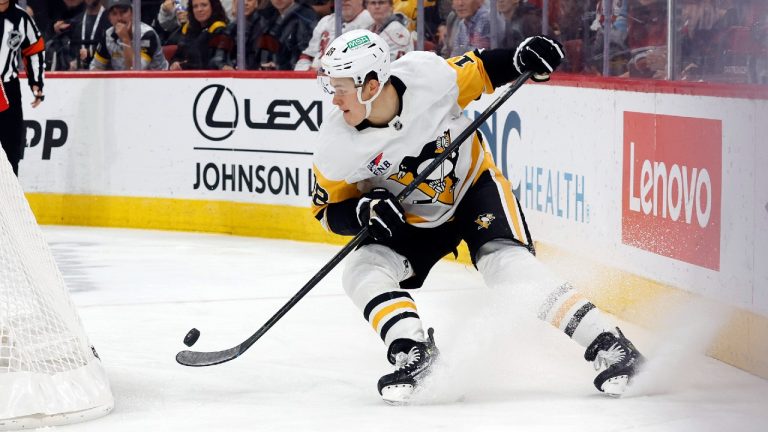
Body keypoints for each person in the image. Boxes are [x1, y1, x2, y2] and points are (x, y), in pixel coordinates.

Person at [312, 29, 645, 403]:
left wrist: (523, 58)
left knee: (507, 266)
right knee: (362, 270)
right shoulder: (336, 147)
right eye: (330, 86)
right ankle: (414, 353)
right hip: (412, 219)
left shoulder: (427, 77)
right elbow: (327, 212)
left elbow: (484, 69)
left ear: (371, 84)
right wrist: (362, 210)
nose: (333, 98)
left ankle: (609, 343)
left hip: (474, 190)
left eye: (340, 87)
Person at [0, 0, 45, 176]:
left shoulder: (21, 17)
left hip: (9, 88)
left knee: (11, 148)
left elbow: (34, 48)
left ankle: (10, 199)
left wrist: (36, 82)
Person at [294, 0, 372, 70]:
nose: (344, 1)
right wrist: (305, 71)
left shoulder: (371, 22)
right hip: (314, 78)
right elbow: (308, 56)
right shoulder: (325, 22)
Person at [90, 0, 168, 70]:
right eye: (114, 14)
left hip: (157, 82)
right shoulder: (108, 35)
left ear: (132, 13)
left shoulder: (147, 34)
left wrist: (125, 39)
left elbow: (136, 71)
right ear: (109, 18)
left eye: (123, 12)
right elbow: (96, 67)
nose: (119, 18)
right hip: (122, 83)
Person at [256, 0, 318, 70]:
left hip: (295, 76)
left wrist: (279, 67)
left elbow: (304, 55)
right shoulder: (269, 16)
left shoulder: (305, 18)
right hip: (275, 75)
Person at [169, 0, 230, 70]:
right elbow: (177, 56)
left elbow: (213, 62)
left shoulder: (220, 30)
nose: (199, 9)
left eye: (204, 5)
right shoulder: (189, 29)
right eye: (195, 6)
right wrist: (174, 63)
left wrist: (184, 65)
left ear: (213, 7)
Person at [69, 0, 110, 69]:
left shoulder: (110, 19)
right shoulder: (76, 21)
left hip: (103, 74)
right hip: (78, 73)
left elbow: (111, 49)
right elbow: (71, 48)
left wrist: (90, 52)